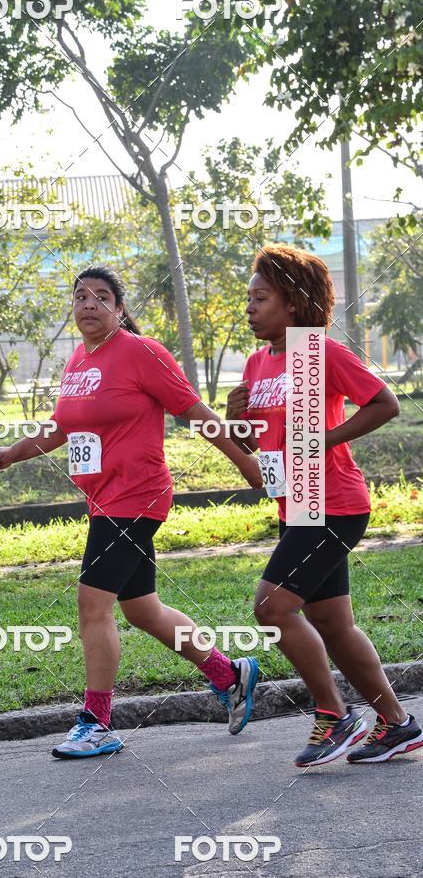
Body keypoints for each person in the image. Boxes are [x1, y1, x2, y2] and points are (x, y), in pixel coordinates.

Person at [0, 265, 264, 759]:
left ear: (119, 308)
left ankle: (97, 723)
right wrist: (12, 453)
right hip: (103, 500)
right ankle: (229, 674)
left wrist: (245, 462)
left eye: (100, 296)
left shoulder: (141, 352)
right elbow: (60, 427)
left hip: (137, 497)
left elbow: (194, 412)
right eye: (80, 296)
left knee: (92, 604)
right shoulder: (79, 360)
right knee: (142, 609)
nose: (88, 304)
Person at [226, 243, 422, 766]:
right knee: (333, 624)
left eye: (261, 298)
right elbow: (258, 443)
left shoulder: (319, 353)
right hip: (296, 505)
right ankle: (398, 725)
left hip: (333, 500)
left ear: (292, 303)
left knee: (271, 608)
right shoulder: (257, 362)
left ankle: (334, 714)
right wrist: (234, 418)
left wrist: (324, 440)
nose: (249, 308)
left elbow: (384, 402)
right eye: (249, 298)